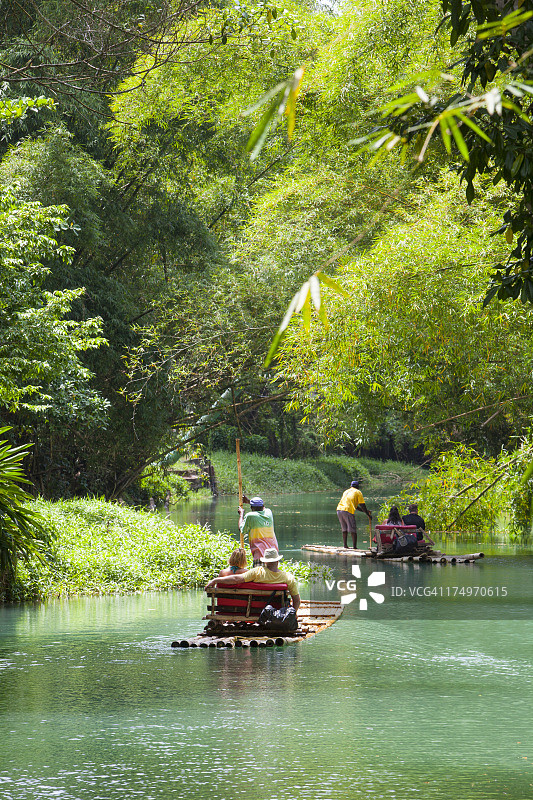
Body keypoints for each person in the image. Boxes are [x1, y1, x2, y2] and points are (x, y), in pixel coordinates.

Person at [206, 547, 300, 611]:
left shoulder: (256, 572)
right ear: (277, 561)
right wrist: (294, 613)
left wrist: (215, 580)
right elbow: (296, 600)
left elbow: (236, 579)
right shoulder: (288, 577)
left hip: (252, 610)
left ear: (265, 562)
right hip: (277, 611)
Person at [238, 496, 279, 565]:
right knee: (271, 572)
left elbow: (241, 529)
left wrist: (241, 514)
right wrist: (249, 501)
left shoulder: (250, 516)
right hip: (273, 555)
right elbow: (263, 508)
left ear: (252, 508)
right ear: (262, 506)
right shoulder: (269, 512)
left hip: (260, 554)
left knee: (258, 572)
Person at [336, 480, 372, 549]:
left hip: (339, 510)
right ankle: (355, 547)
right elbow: (362, 505)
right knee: (353, 529)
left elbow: (355, 506)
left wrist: (365, 511)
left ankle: (345, 546)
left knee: (344, 529)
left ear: (351, 486)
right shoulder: (358, 492)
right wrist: (368, 515)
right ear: (358, 487)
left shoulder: (346, 491)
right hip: (347, 510)